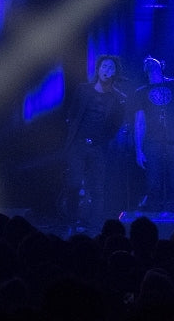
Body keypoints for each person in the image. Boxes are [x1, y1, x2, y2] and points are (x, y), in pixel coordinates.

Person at [62, 54, 127, 233]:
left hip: (98, 147)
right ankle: (72, 221)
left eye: (111, 68)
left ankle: (94, 225)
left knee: (97, 188)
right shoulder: (83, 89)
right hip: (77, 145)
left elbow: (116, 125)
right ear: (98, 69)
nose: (107, 70)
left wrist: (101, 140)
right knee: (74, 184)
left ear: (115, 73)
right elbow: (72, 112)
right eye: (104, 66)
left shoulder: (118, 98)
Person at [134, 55, 174, 212]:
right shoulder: (141, 92)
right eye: (145, 61)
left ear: (162, 65)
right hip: (152, 143)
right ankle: (155, 217)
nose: (148, 60)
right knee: (153, 183)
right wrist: (138, 150)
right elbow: (139, 122)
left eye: (152, 60)